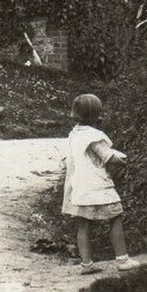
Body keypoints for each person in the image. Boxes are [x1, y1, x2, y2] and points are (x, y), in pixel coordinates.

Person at [61, 93, 139, 274]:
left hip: (80, 188)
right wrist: (126, 161)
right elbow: (107, 156)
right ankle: (122, 259)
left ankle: (86, 264)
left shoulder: (75, 134)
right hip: (97, 187)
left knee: (83, 225)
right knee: (115, 217)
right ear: (96, 115)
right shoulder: (93, 136)